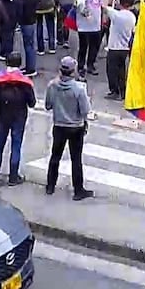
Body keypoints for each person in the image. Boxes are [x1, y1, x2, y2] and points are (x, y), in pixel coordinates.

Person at [44, 56, 94, 200]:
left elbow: (48, 105)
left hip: (59, 126)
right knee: (76, 159)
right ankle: (78, 190)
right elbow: (85, 110)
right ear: (73, 71)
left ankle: (50, 186)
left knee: (55, 156)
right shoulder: (79, 89)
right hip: (76, 127)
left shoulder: (52, 86)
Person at [0, 53, 37, 184]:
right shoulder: (25, 82)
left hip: (3, 115)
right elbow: (32, 103)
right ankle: (13, 176)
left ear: (6, 63)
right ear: (19, 64)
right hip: (19, 117)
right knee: (16, 144)